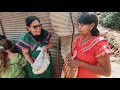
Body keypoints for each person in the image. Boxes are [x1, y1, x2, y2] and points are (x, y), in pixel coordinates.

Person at [65, 12, 113, 78]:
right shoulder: (78, 40)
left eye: (81, 25)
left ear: (91, 26)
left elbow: (107, 72)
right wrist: (70, 56)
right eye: (78, 25)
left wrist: (81, 64)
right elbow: (77, 56)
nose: (78, 28)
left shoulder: (100, 44)